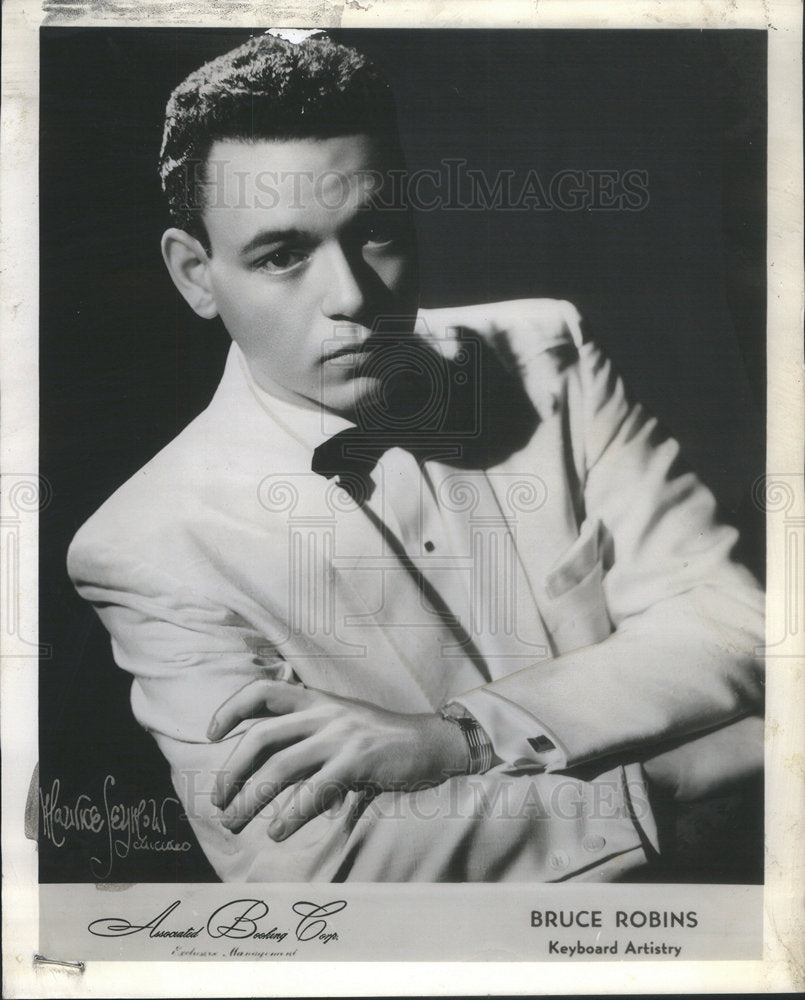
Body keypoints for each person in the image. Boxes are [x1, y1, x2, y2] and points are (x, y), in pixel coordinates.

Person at [67, 31, 764, 882]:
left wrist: (460, 736)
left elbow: (732, 628)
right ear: (195, 276)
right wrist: (691, 775)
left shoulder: (550, 349)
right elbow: (330, 869)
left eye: (378, 231)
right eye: (282, 255)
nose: (353, 296)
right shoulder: (144, 548)